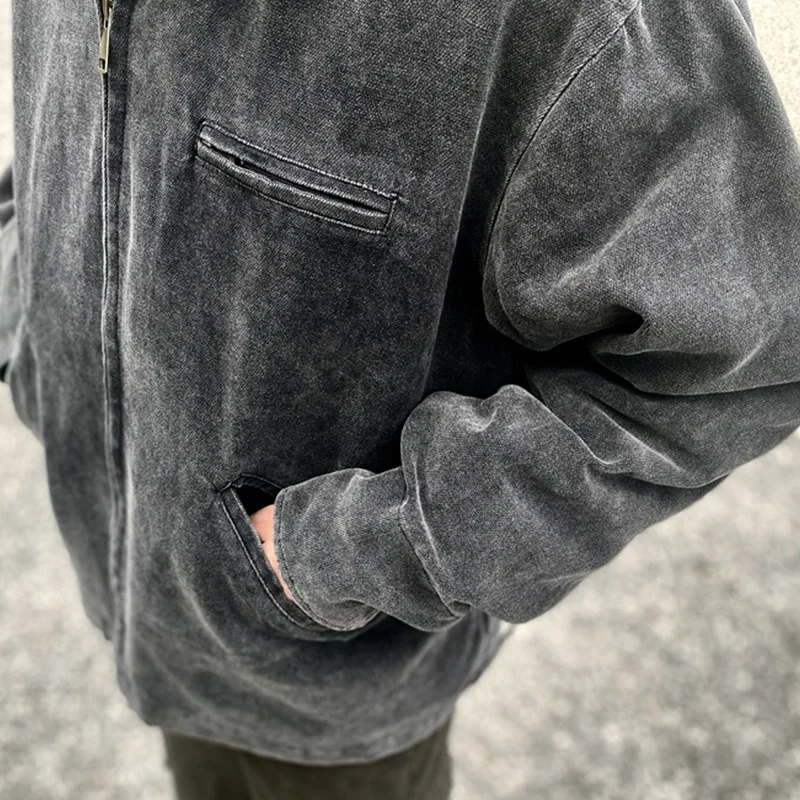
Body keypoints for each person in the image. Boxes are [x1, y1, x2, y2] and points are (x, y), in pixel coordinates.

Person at [1, 0, 798, 797]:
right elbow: (83, 120)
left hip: (327, 699)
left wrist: (342, 552)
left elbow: (733, 363)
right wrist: (20, 308)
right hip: (141, 597)